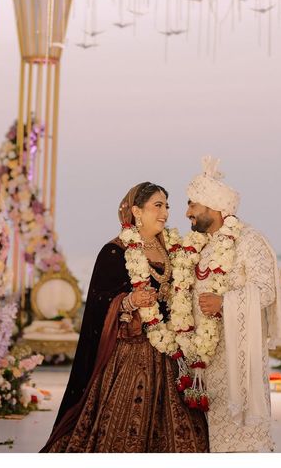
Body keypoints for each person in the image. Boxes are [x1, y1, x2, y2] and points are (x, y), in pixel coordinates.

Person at [40, 182, 208, 453]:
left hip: (170, 352)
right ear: (136, 210)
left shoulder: (173, 249)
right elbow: (98, 301)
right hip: (130, 353)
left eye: (167, 206)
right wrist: (129, 301)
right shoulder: (115, 252)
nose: (165, 212)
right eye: (157, 205)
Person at [184, 157, 281, 452]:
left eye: (193, 205)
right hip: (204, 356)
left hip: (237, 354)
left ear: (213, 208)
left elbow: (265, 290)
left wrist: (224, 302)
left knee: (240, 433)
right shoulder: (200, 245)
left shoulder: (249, 241)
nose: (187, 213)